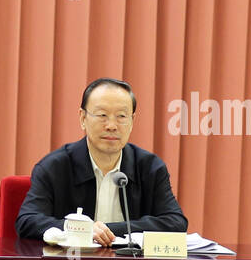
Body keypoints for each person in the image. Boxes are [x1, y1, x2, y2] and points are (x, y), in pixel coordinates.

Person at [16, 78, 186, 244]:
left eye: (121, 116)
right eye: (102, 115)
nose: (112, 125)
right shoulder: (54, 167)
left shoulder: (150, 167)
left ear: (132, 121)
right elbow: (27, 221)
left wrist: (108, 230)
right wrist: (80, 229)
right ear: (83, 118)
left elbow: (176, 222)